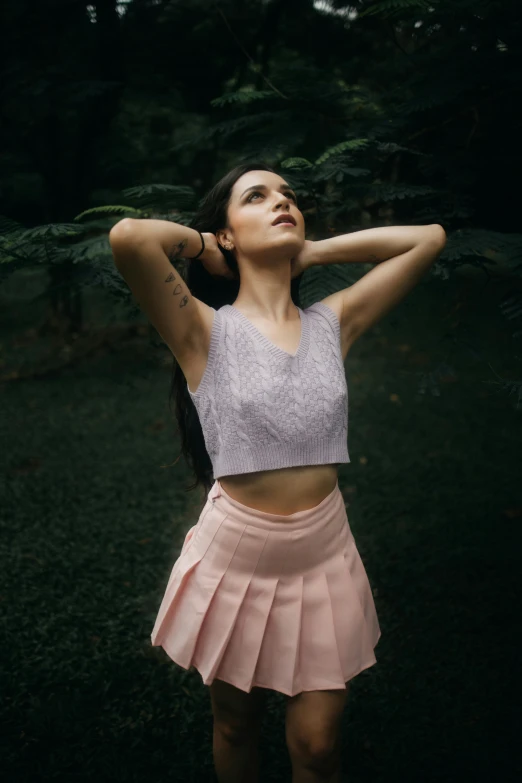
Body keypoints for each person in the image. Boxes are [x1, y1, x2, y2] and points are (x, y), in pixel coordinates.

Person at [109, 162, 446, 783]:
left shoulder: (332, 323)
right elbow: (131, 236)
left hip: (324, 554)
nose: (282, 202)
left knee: (318, 748)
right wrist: (209, 246)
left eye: (289, 196)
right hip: (237, 557)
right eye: (257, 196)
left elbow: (428, 238)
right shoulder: (203, 332)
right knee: (237, 725)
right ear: (228, 233)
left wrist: (309, 252)